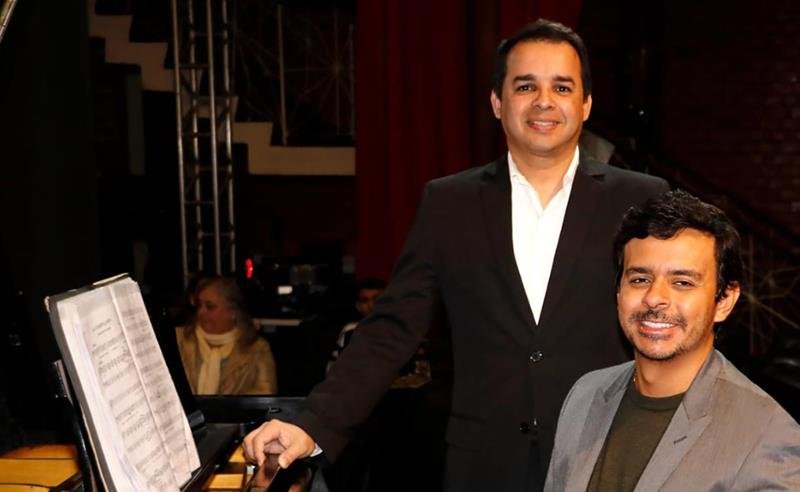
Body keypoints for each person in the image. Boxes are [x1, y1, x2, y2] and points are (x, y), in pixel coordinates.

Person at [243, 19, 669, 490]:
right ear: (497, 102)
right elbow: (391, 329)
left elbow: (667, 321)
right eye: (525, 86)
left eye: (562, 87)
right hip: (483, 465)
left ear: (585, 104)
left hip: (607, 458)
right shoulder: (450, 203)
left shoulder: (641, 200)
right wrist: (313, 425)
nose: (544, 101)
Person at [545, 190, 800, 491]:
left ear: (724, 301)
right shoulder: (585, 395)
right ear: (618, 292)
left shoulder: (767, 435)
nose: (654, 298)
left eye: (682, 282)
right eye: (640, 279)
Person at [176, 276, 278, 395]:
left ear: (232, 311)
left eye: (210, 307)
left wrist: (229, 404)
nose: (201, 312)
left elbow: (266, 394)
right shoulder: (179, 339)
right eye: (199, 305)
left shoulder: (257, 349)